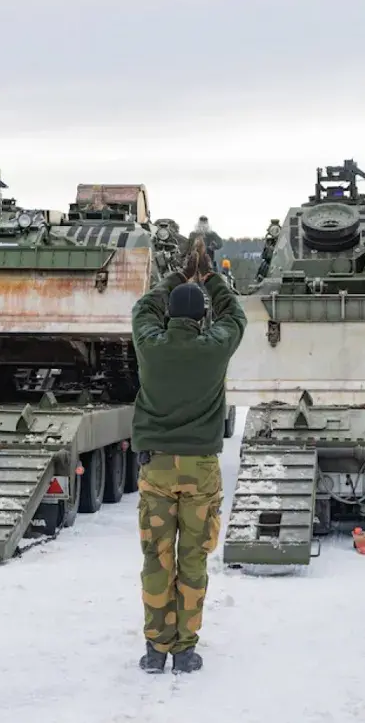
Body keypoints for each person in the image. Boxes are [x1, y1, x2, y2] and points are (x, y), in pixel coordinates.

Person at [130, 236, 247, 674]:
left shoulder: (151, 346)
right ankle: (185, 651)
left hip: (157, 467)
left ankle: (154, 649)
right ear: (202, 316)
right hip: (200, 470)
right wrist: (212, 277)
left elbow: (143, 309)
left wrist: (179, 274)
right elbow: (235, 315)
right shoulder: (214, 347)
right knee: (193, 560)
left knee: (156, 559)